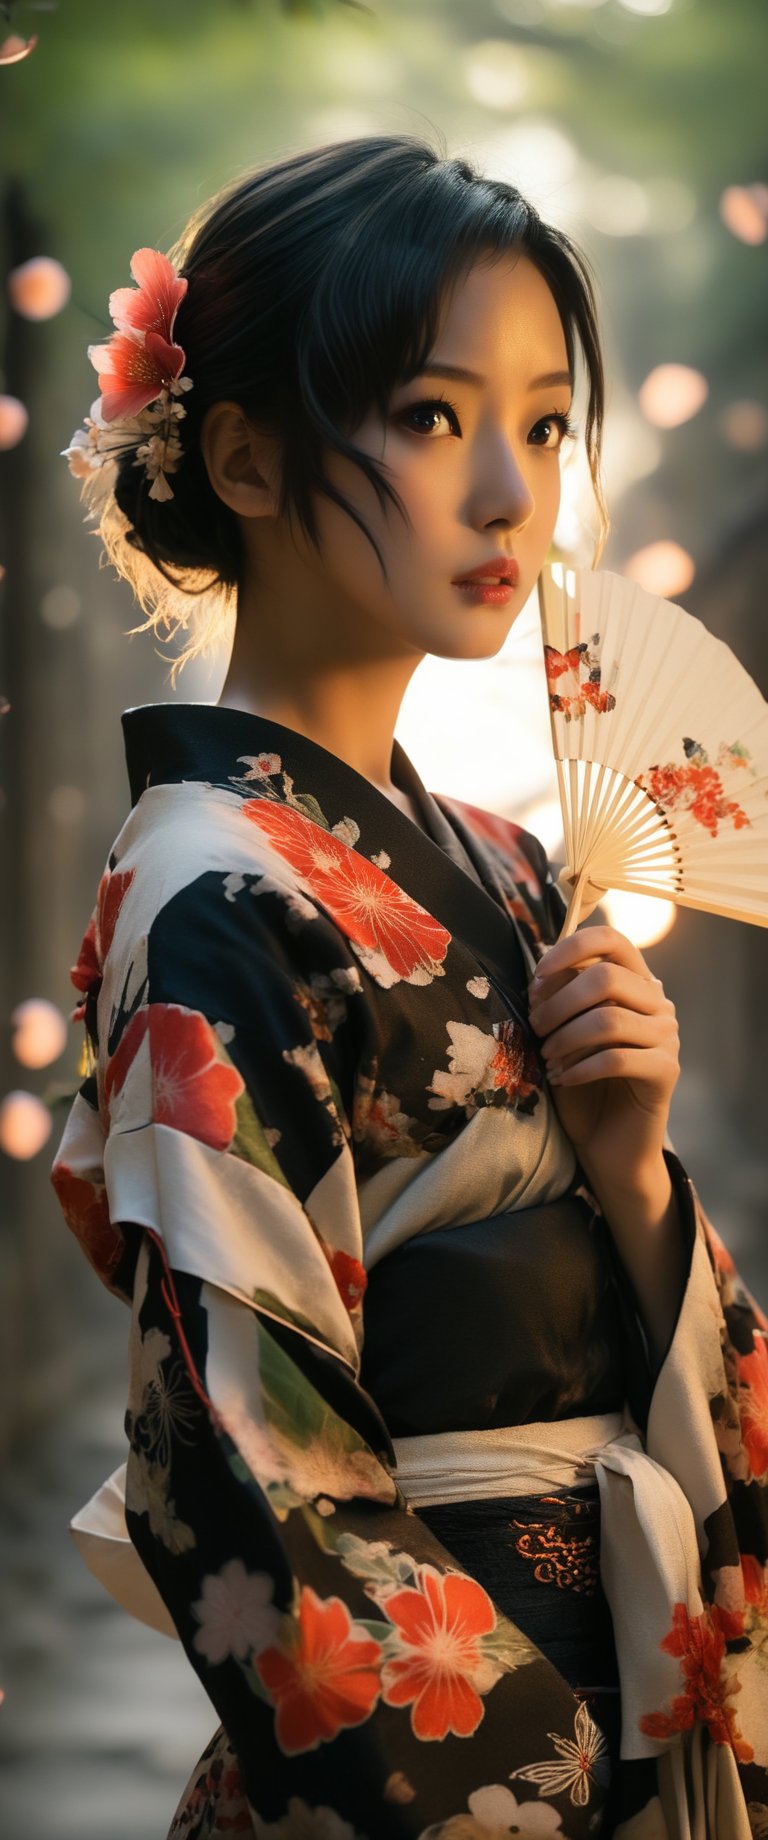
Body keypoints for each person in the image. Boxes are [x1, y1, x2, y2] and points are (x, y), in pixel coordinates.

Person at [50, 134, 768, 1839]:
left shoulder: (519, 877)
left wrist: (633, 1177)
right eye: (436, 418)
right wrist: (551, 1770)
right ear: (240, 454)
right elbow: (246, 1466)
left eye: (541, 424)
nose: (511, 495)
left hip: (626, 1707)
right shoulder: (216, 894)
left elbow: (669, 1320)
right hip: (463, 1757)